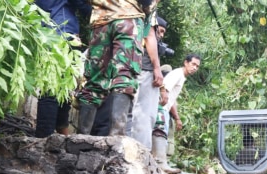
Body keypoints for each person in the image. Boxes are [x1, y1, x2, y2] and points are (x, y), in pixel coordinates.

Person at [76, 0, 158, 136]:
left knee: (94, 80)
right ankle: (117, 137)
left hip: (100, 22)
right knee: (124, 75)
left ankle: (81, 137)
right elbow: (147, 4)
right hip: (128, 19)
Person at [33, 0, 91, 138]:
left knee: (60, 89)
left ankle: (60, 135)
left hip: (43, 32)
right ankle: (43, 139)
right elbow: (84, 6)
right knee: (52, 91)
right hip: (63, 32)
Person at [151, 53, 201, 173]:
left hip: (164, 108)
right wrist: (161, 106)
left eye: (197, 66)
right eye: (193, 64)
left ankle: (159, 163)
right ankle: (161, 163)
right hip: (160, 106)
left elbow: (171, 99)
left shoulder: (182, 77)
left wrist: (177, 118)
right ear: (186, 62)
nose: (195, 68)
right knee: (160, 132)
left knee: (162, 133)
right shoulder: (178, 73)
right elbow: (164, 88)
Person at [126, 15, 168, 148]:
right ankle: (141, 152)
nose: (160, 35)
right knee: (145, 115)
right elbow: (149, 38)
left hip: (129, 68)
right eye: (159, 31)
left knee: (130, 114)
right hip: (144, 70)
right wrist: (156, 68)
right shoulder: (148, 16)